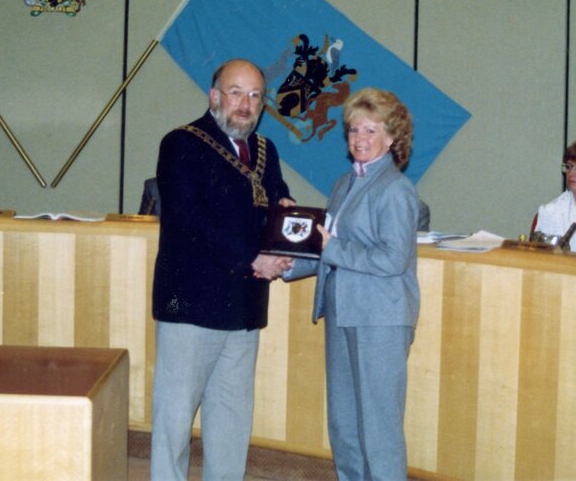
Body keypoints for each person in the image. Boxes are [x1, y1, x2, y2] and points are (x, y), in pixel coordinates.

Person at [150, 58, 295, 481]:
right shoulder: (181, 144)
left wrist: (287, 223)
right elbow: (189, 222)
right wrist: (253, 258)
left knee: (231, 423)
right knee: (174, 422)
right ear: (214, 96)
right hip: (191, 307)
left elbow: (279, 199)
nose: (245, 105)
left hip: (244, 308)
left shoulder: (267, 151)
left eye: (255, 96)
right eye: (236, 92)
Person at [287, 87, 420, 481]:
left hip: (380, 320)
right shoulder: (344, 184)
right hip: (343, 313)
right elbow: (327, 250)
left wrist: (334, 248)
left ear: (392, 138)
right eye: (353, 131)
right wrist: (284, 264)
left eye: (370, 131)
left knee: (379, 428)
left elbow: (391, 259)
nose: (359, 139)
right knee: (344, 424)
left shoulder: (396, 190)